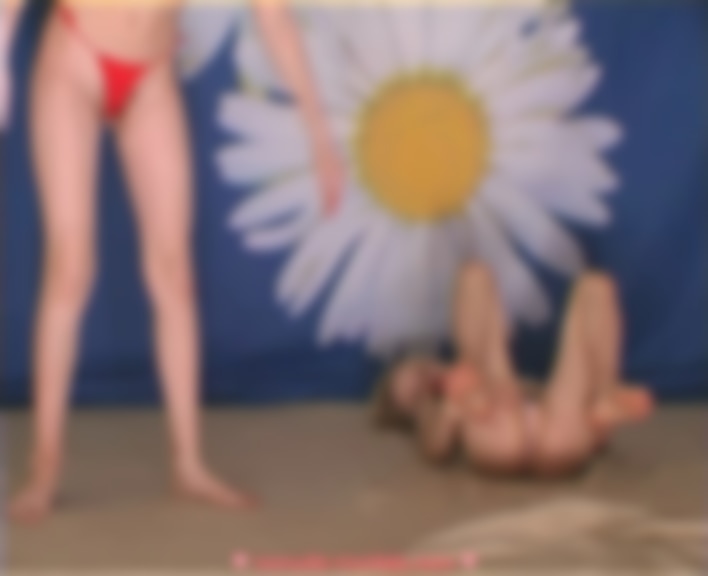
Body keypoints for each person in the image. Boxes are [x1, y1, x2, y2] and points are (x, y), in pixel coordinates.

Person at [1, 0, 342, 523]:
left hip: (152, 73)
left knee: (174, 274)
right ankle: (44, 468)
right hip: (75, 56)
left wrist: (318, 131)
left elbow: (273, 16)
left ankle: (189, 464)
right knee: (70, 268)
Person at [373, 264, 654, 478]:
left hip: (554, 430)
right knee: (473, 279)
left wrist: (593, 422)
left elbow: (546, 394)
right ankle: (472, 385)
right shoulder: (436, 410)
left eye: (422, 369)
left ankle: (604, 392)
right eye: (418, 388)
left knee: (596, 286)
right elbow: (435, 449)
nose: (428, 379)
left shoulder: (498, 381)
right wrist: (450, 409)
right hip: (493, 431)